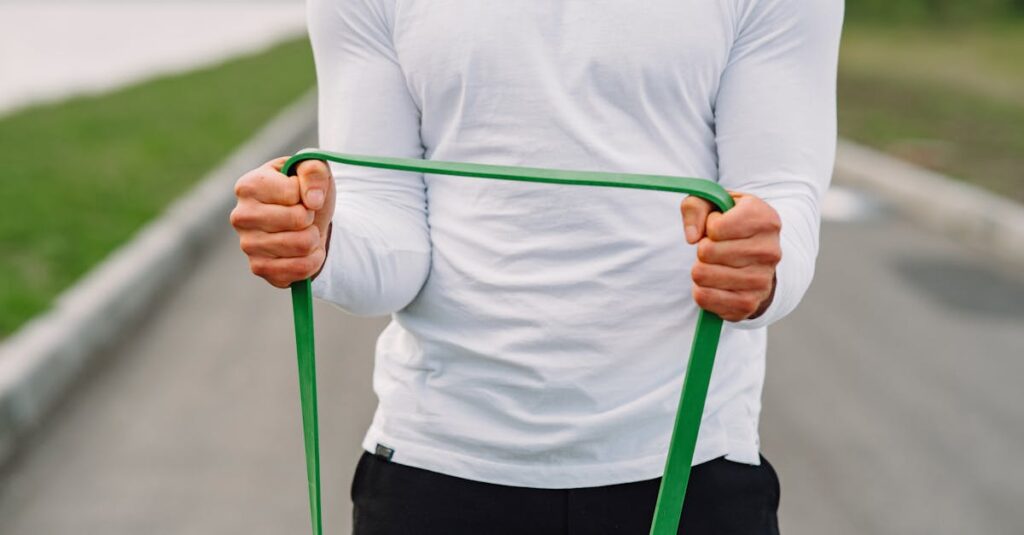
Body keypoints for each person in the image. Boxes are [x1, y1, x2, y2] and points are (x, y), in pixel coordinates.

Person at [230, 0, 843, 533]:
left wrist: (760, 271)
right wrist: (321, 240)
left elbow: (780, 194)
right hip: (438, 467)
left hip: (689, 467)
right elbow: (390, 234)